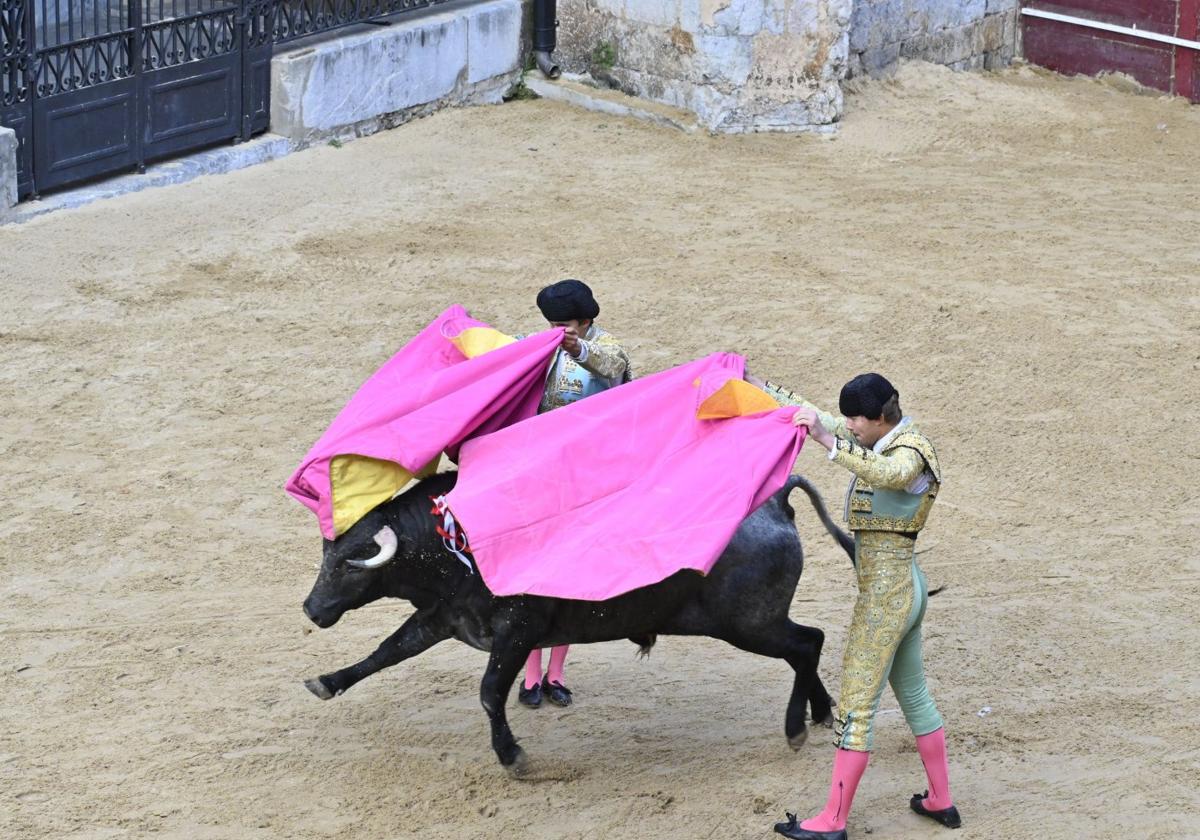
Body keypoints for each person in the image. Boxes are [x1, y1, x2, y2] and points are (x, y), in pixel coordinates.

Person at [751, 371, 961, 839]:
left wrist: (828, 439)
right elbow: (824, 420)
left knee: (856, 709)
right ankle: (940, 800)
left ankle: (832, 822)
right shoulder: (883, 436)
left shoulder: (911, 452)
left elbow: (890, 474)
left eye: (856, 420)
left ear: (881, 416)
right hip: (903, 587)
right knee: (914, 695)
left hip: (887, 595)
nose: (851, 425)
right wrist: (756, 383)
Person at [517, 279, 632, 709]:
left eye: (564, 325)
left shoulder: (608, 347)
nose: (556, 330)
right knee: (530, 569)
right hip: (543, 469)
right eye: (550, 324)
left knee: (569, 573)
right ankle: (530, 674)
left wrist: (577, 348)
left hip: (589, 474)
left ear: (586, 321)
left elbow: (611, 365)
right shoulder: (539, 343)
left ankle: (557, 672)